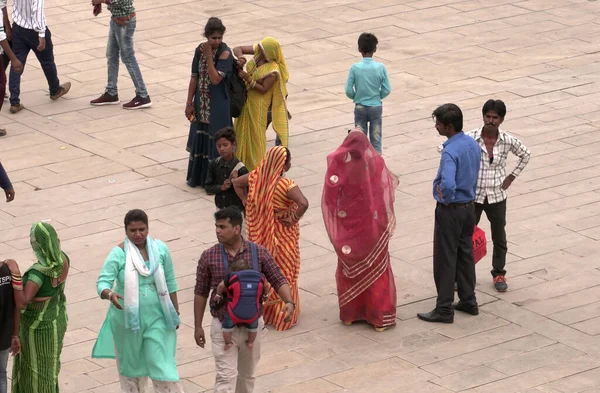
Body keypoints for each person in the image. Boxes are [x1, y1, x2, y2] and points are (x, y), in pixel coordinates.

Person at [194, 207, 295, 393]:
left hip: (252, 327)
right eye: (216, 226)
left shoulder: (259, 253)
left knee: (247, 377)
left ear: (237, 229)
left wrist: (289, 302)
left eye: (222, 226)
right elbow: (200, 292)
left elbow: (277, 278)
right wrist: (198, 325)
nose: (217, 231)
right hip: (223, 326)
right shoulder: (209, 256)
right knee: (225, 379)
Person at [92, 209, 184, 393]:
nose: (138, 234)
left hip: (158, 317)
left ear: (148, 228)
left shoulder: (161, 249)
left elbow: (170, 281)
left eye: (142, 229)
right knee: (131, 370)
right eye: (133, 230)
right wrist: (110, 294)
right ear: (125, 230)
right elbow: (102, 282)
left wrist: (174, 311)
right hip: (127, 321)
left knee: (162, 366)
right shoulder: (118, 254)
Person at [321, 129, 398, 331]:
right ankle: (379, 317)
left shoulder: (337, 164)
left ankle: (350, 314)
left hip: (349, 228)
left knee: (350, 267)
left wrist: (341, 215)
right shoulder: (376, 162)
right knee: (376, 267)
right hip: (373, 226)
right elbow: (384, 190)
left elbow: (330, 198)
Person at [232, 146, 308, 331]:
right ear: (285, 164)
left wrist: (246, 200)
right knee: (285, 271)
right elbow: (303, 203)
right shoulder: (286, 184)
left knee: (267, 269)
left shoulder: (255, 178)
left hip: (262, 231)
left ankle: (267, 312)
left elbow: (236, 183)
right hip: (283, 234)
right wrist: (292, 218)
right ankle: (285, 313)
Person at [418, 104, 480, 324]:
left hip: (451, 210)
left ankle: (444, 308)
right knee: (465, 255)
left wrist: (443, 198)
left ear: (449, 126)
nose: (436, 126)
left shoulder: (450, 152)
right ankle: (468, 299)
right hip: (468, 207)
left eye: (439, 123)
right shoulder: (472, 144)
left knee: (445, 258)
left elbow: (449, 184)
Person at [467, 100, 531, 292]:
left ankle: (499, 273)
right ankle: (463, 274)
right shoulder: (470, 138)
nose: (491, 121)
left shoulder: (507, 140)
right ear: (483, 116)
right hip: (474, 196)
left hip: (497, 196)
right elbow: (445, 149)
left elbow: (526, 154)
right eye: (488, 116)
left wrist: (512, 176)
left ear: (502, 119)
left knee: (499, 237)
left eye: (495, 118)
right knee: (466, 236)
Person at [11, 222, 70, 393]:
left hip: (38, 330)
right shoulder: (63, 259)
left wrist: (15, 273)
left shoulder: (38, 274)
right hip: (57, 320)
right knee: (50, 369)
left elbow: (22, 301)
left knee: (35, 373)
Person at [185, 17, 233, 188]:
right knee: (201, 136)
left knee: (218, 139)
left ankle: (215, 181)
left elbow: (215, 79)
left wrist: (209, 58)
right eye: (213, 38)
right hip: (201, 103)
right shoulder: (199, 50)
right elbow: (194, 77)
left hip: (218, 105)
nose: (217, 41)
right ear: (207, 36)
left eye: (219, 37)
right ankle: (198, 178)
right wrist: (189, 102)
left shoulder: (225, 53)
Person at [233, 37, 289, 171]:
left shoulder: (273, 70)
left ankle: (254, 169)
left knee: (256, 136)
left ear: (270, 53)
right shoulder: (259, 50)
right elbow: (237, 48)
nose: (259, 50)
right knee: (240, 131)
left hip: (258, 106)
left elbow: (264, 89)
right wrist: (241, 58)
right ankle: (239, 164)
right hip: (245, 102)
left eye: (263, 50)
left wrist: (247, 78)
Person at [8, 0, 70, 114]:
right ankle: (55, 90)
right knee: (47, 61)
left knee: (16, 64)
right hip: (34, 31)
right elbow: (38, 11)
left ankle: (14, 101)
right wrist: (41, 34)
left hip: (18, 27)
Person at [89, 0, 151, 109]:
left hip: (124, 23)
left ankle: (143, 95)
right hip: (116, 21)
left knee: (128, 58)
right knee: (111, 55)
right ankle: (111, 92)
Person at [345, 33, 391, 154]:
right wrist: (377, 96)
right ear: (375, 49)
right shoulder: (380, 67)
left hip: (360, 106)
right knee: (376, 137)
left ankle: (361, 162)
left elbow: (348, 90)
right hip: (375, 106)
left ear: (359, 49)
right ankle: (377, 163)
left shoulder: (355, 68)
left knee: (360, 138)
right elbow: (386, 89)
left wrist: (356, 96)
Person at [214, 259, 269, 350]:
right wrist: (265, 294)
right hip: (252, 313)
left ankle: (228, 343)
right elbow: (266, 285)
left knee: (226, 327)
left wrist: (218, 294)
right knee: (253, 328)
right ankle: (250, 342)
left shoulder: (232, 276)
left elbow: (220, 286)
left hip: (234, 313)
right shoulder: (258, 277)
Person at [205, 127, 249, 224]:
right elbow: (208, 188)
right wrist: (222, 187)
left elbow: (248, 193)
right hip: (220, 208)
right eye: (219, 146)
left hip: (236, 211)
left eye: (225, 145)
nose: (222, 149)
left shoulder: (241, 168)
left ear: (233, 145)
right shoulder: (213, 164)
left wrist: (236, 182)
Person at [0, 258, 24, 393]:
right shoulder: (9, 271)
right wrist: (15, 334)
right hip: (5, 335)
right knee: (1, 374)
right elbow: (17, 306)